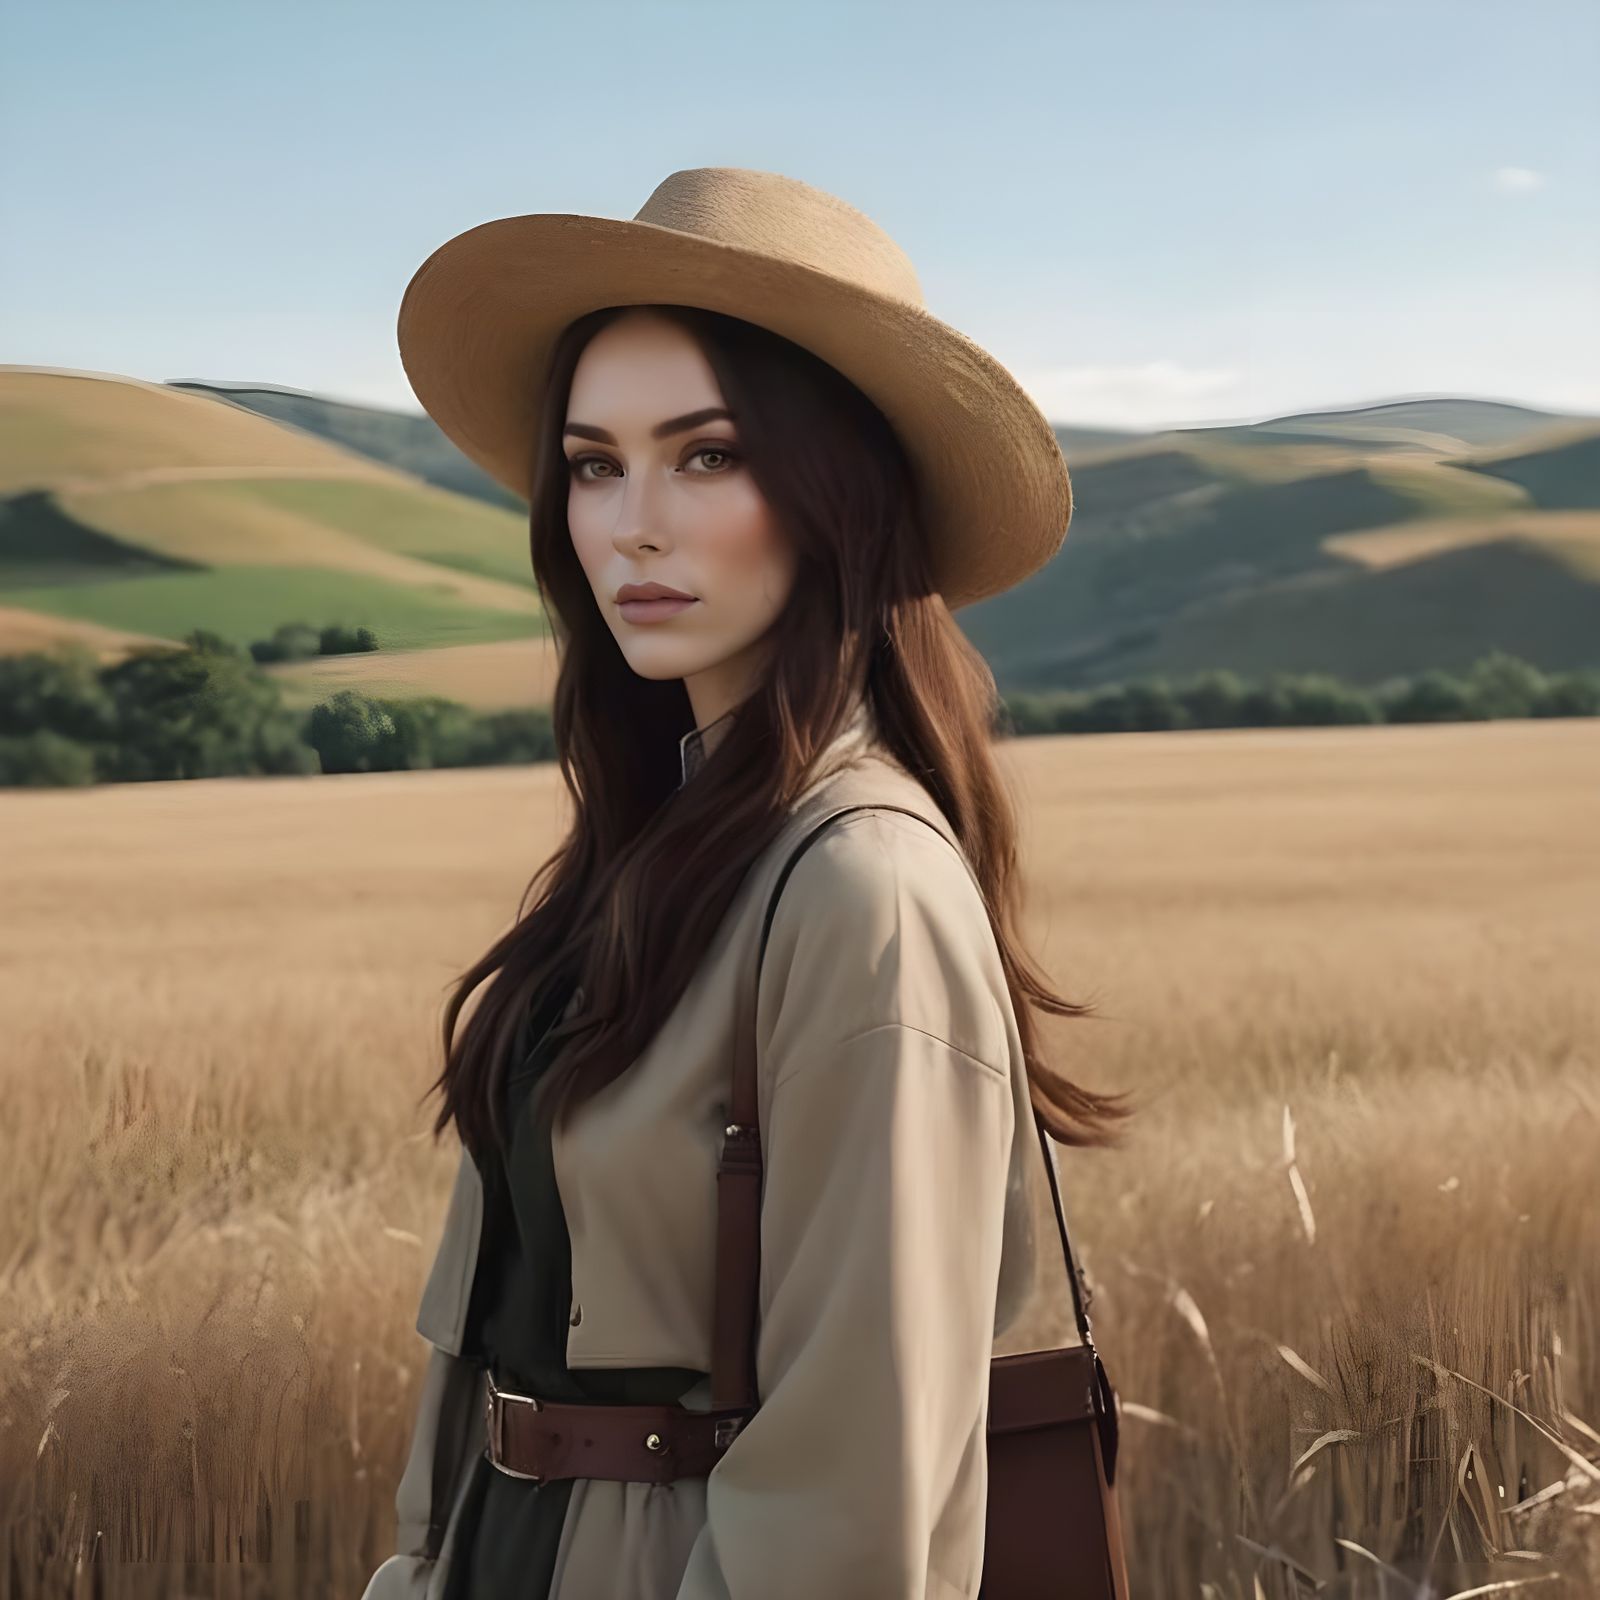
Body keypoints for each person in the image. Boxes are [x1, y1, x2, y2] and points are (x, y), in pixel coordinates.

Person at [360, 166, 1135, 1600]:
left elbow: (857, 1497)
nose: (631, 523)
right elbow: (500, 1326)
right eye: (594, 462)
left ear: (839, 492)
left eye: (705, 454)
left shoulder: (860, 891)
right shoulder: (639, 861)